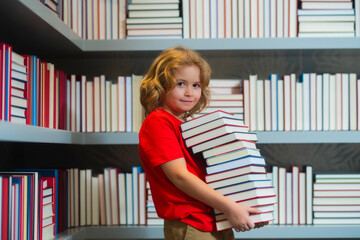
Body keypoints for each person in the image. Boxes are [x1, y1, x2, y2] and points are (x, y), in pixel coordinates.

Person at [138, 46, 268, 240]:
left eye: (196, 85)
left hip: (215, 217)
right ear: (161, 85)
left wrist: (245, 207)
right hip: (191, 223)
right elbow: (180, 176)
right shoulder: (158, 122)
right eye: (181, 84)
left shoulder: (186, 125)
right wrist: (229, 207)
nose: (190, 92)